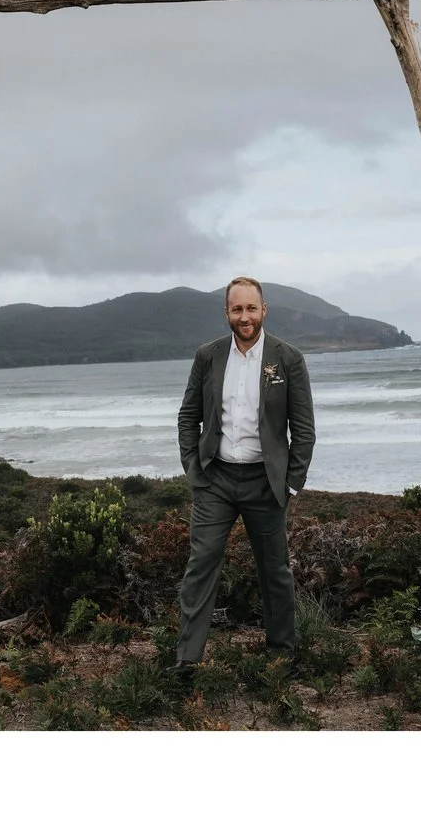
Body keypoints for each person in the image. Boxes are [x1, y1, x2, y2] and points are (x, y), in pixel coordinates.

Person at [174, 276, 316, 669]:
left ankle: (281, 657)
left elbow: (303, 429)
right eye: (237, 309)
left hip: (265, 482)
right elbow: (188, 416)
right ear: (227, 313)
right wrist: (193, 468)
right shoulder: (208, 356)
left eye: (251, 308)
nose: (244, 316)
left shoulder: (287, 358)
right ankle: (187, 663)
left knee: (274, 571)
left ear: (263, 310)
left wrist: (292, 484)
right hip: (215, 480)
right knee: (200, 566)